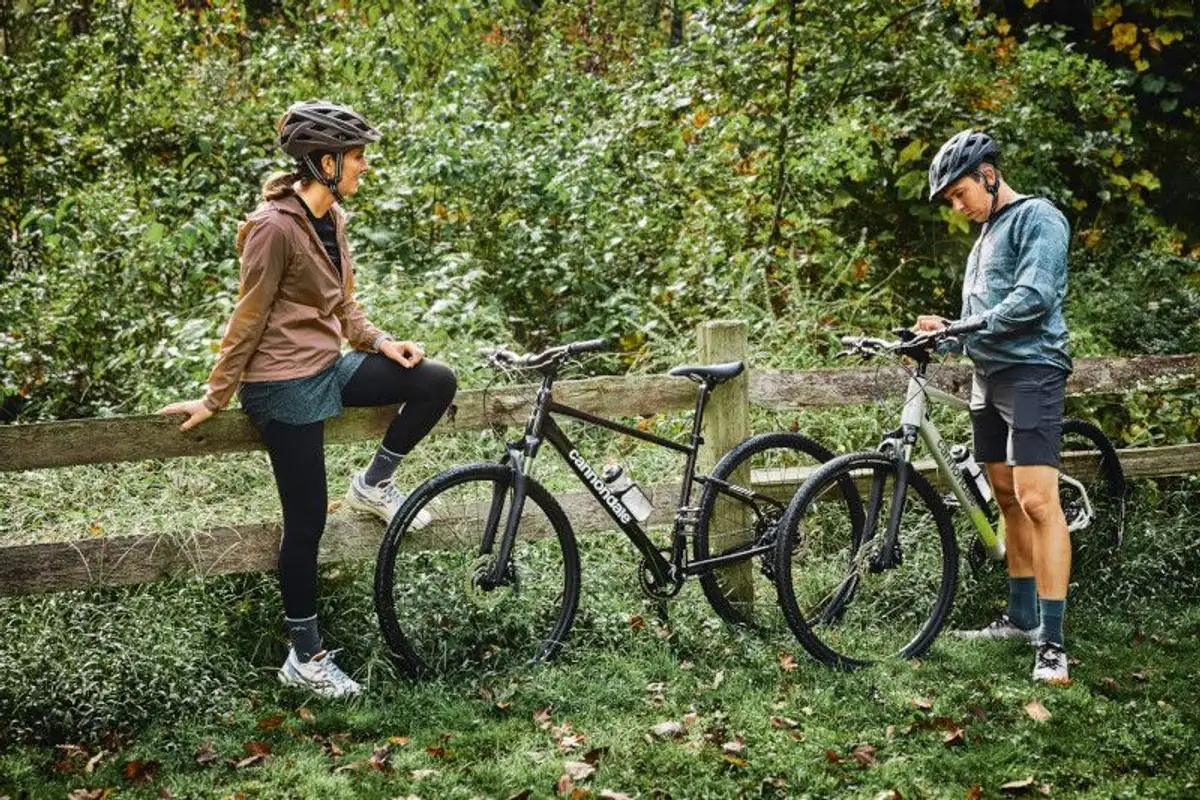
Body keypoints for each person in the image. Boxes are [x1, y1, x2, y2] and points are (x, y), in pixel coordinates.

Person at [159, 101, 457, 698]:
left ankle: (374, 485)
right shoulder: (272, 227)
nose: (364, 167)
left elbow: (343, 306)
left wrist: (382, 342)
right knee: (307, 522)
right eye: (357, 157)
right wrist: (216, 398)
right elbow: (249, 316)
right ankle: (306, 656)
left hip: (328, 366)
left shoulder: (333, 219)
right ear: (325, 161)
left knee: (434, 380)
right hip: (281, 383)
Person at [915, 129, 1073, 683]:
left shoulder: (1039, 218)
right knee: (1005, 496)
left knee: (1035, 500)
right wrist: (944, 333)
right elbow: (977, 322)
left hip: (1032, 372)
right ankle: (1021, 616)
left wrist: (966, 326)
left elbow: (1033, 299)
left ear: (988, 174)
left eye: (960, 193)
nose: (958, 207)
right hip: (987, 378)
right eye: (951, 201)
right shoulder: (983, 239)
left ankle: (1052, 643)